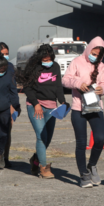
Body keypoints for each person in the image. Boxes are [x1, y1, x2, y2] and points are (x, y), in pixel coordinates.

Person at [62, 37, 104, 188]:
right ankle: (83, 174)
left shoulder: (101, 66)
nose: (94, 57)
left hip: (95, 107)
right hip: (78, 108)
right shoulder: (77, 62)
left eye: (97, 55)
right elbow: (65, 80)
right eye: (93, 53)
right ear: (89, 49)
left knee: (100, 139)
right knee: (81, 143)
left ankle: (92, 165)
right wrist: (77, 83)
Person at [18, 44, 66, 178]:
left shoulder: (55, 66)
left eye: (48, 60)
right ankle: (44, 169)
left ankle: (35, 160)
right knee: (41, 136)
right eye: (44, 60)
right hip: (36, 106)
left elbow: (58, 87)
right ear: (39, 58)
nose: (47, 62)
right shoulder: (33, 67)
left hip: (51, 107)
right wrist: (36, 103)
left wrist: (62, 102)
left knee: (48, 138)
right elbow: (27, 87)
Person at [0, 42, 20, 169]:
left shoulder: (10, 67)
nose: (6, 56)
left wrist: (14, 106)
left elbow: (12, 87)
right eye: (3, 54)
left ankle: (4, 157)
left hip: (6, 106)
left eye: (7, 54)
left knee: (6, 133)